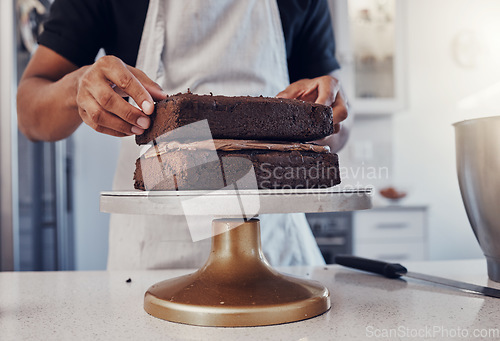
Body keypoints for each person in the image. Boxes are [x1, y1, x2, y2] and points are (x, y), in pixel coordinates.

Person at [17, 0, 350, 269]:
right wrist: (79, 86)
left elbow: (340, 126)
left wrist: (323, 117)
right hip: (155, 253)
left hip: (275, 247)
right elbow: (29, 114)